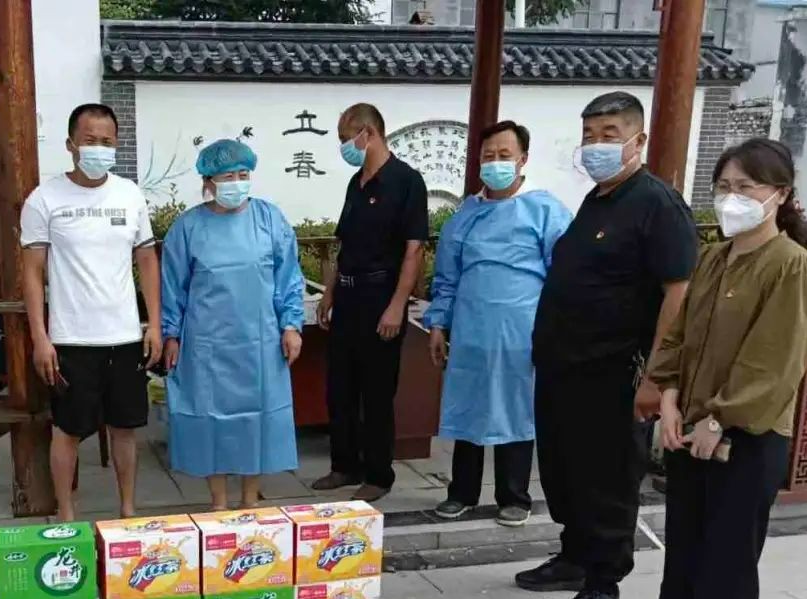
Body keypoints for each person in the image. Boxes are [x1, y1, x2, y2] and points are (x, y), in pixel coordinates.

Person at [638, 139, 807, 599]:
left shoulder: (790, 265)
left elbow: (775, 359)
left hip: (749, 433)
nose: (732, 198)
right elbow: (680, 334)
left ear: (780, 195)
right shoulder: (715, 257)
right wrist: (669, 397)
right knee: (685, 540)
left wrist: (720, 418)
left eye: (746, 187)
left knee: (729, 554)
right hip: (691, 423)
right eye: (724, 187)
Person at [516, 91, 699, 599]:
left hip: (615, 370)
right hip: (564, 367)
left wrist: (657, 377)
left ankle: (603, 585)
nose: (597, 145)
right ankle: (574, 555)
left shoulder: (657, 204)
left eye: (610, 135)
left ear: (638, 140)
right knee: (564, 470)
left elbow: (678, 292)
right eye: (590, 136)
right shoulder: (598, 200)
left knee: (606, 479)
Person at [425, 121, 572, 528]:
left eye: (504, 155)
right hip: (470, 329)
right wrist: (438, 324)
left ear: (523, 159)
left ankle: (514, 495)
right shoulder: (465, 214)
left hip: (521, 330)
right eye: (488, 156)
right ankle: (461, 492)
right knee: (468, 408)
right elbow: (447, 277)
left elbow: (564, 275)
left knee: (515, 409)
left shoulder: (546, 210)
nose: (495, 163)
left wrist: (557, 329)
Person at [21, 102, 161, 522]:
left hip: (125, 335)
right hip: (71, 339)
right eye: (89, 141)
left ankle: (128, 509)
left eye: (107, 142)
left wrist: (154, 324)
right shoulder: (44, 199)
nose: (99, 149)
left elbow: (147, 261)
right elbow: (32, 273)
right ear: (70, 144)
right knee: (67, 430)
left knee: (125, 428)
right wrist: (40, 337)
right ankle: (67, 514)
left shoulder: (129, 195)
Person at [160, 139, 305, 511]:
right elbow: (173, 285)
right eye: (227, 176)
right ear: (208, 181)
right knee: (211, 420)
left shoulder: (269, 219)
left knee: (256, 419)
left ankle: (250, 498)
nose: (237, 183)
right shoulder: (188, 228)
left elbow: (288, 277)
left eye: (243, 174)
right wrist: (170, 334)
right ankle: (218, 501)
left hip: (260, 342)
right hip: (206, 345)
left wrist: (291, 325)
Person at [312, 103, 429, 503]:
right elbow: (342, 244)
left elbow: (414, 250)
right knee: (340, 387)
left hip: (382, 294)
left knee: (376, 392)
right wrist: (329, 292)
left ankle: (379, 473)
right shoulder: (356, 183)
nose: (345, 146)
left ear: (369, 133)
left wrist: (397, 305)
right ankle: (344, 465)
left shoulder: (406, 181)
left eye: (347, 138)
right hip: (348, 294)